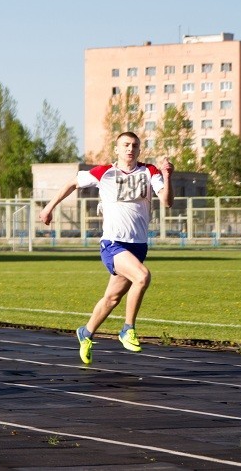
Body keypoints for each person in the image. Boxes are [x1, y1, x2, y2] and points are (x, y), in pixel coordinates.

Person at [38, 131, 173, 365]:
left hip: (138, 246)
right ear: (117, 149)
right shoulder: (104, 172)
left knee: (111, 299)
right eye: (126, 145)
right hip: (112, 243)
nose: (130, 149)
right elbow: (72, 183)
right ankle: (127, 329)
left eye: (135, 145)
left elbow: (167, 201)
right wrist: (49, 207)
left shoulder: (149, 172)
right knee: (142, 276)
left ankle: (86, 332)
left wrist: (167, 175)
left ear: (139, 150)